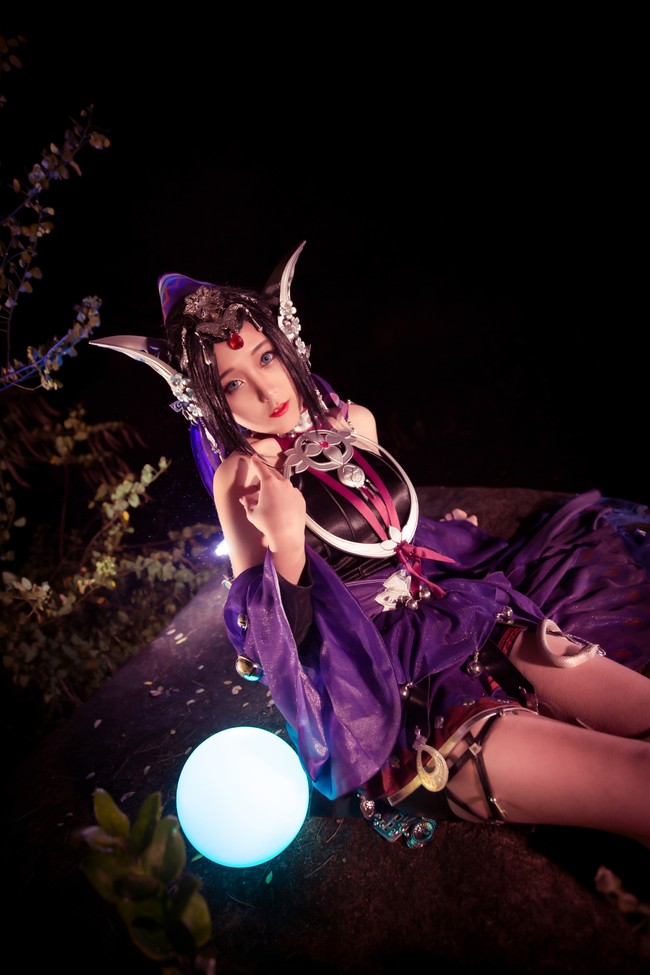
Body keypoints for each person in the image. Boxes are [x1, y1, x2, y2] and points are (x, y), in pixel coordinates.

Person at [90, 241, 650, 850]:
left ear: (288, 346)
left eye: (266, 357)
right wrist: (286, 541)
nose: (266, 390)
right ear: (208, 402)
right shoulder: (244, 477)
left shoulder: (353, 422)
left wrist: (438, 535)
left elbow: (385, 529)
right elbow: (268, 643)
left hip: (471, 616)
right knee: (635, 782)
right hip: (382, 679)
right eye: (232, 383)